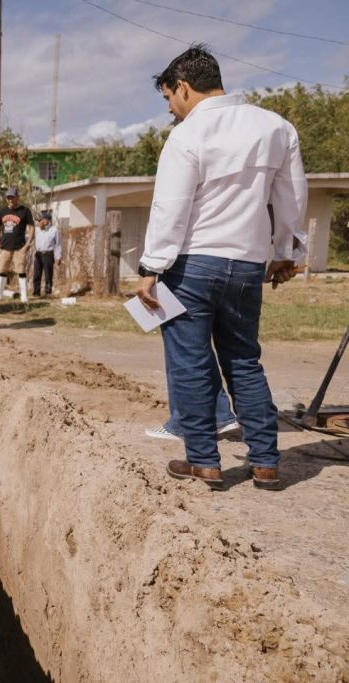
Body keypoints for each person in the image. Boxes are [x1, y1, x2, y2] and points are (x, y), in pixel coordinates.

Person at [136, 45, 306, 491]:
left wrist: (151, 267)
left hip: (192, 265)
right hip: (247, 266)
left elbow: (171, 207)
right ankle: (266, 462)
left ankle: (204, 461)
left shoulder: (188, 135)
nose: (171, 108)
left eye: (169, 98)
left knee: (190, 362)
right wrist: (287, 252)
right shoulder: (276, 128)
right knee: (245, 361)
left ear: (184, 87)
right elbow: (291, 197)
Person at [0, 186, 34, 302]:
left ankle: (24, 296)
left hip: (19, 247)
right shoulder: (3, 211)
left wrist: (28, 243)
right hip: (4, 246)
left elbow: (31, 227)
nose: (10, 200)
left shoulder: (25, 211)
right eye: (8, 198)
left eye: (12, 197)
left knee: (21, 270)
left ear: (17, 197)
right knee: (2, 269)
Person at [31, 211, 61, 297]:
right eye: (38, 221)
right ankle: (36, 293)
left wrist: (58, 256)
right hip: (38, 254)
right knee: (36, 274)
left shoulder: (54, 230)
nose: (39, 222)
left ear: (47, 220)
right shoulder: (36, 230)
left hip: (48, 254)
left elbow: (58, 244)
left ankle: (48, 293)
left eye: (40, 220)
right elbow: (28, 237)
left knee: (48, 275)